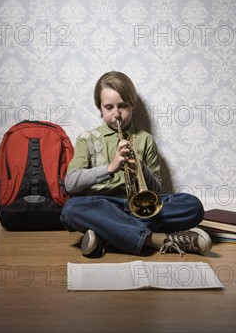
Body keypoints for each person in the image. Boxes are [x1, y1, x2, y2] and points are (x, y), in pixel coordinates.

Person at [60, 71, 212, 257]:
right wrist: (110, 168)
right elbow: (70, 182)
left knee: (192, 205)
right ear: (99, 108)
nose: (116, 114)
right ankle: (158, 240)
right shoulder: (87, 139)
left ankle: (106, 233)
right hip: (104, 205)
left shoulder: (145, 140)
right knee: (70, 209)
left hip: (142, 208)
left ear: (132, 105)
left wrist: (141, 168)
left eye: (122, 106)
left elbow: (156, 191)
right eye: (109, 107)